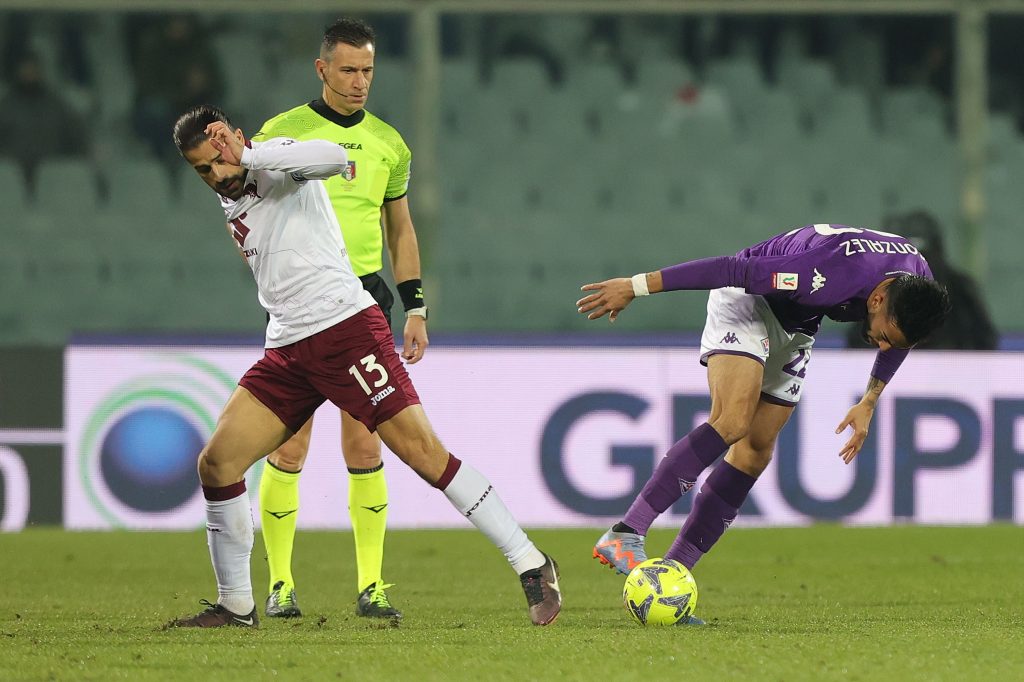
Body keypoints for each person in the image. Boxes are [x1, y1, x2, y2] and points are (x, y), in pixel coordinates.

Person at [165, 105, 561, 628]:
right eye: (203, 170)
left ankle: (532, 562)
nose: (217, 173)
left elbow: (331, 158)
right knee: (216, 464)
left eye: (218, 158)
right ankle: (237, 604)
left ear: (237, 139)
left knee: (425, 455)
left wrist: (253, 153)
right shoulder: (229, 198)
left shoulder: (276, 160)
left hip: (346, 331)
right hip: (287, 347)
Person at [577, 223, 950, 623]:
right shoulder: (826, 271)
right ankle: (626, 531)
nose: (882, 344)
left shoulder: (917, 285)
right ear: (876, 298)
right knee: (733, 420)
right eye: (883, 335)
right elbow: (731, 270)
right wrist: (636, 286)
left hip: (799, 325)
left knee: (755, 453)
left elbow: (898, 339)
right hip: (748, 301)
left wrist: (870, 399)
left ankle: (668, 582)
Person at [249, 17, 429, 620]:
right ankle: (280, 585)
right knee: (290, 444)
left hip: (364, 302)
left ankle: (372, 588)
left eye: (368, 71)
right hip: (303, 301)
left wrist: (416, 306)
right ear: (322, 69)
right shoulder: (283, 132)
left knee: (365, 443)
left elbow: (398, 227)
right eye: (348, 70)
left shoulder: (389, 143)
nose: (359, 82)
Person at [845, 210, 997, 351]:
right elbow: (858, 345)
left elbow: (984, 344)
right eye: (912, 257)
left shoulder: (960, 288)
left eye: (925, 257)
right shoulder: (878, 290)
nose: (918, 269)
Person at [0, 51, 88, 190]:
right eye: (25, 70)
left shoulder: (56, 104)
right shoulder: (6, 106)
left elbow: (77, 135)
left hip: (52, 177)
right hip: (13, 179)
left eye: (33, 69)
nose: (29, 74)